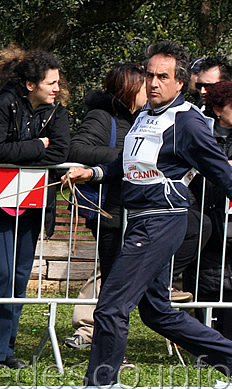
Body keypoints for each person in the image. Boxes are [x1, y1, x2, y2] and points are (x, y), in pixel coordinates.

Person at [62, 41, 232, 389]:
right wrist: (93, 172)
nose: (153, 83)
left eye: (162, 77)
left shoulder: (187, 122)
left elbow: (222, 172)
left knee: (111, 306)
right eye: (149, 75)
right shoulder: (144, 115)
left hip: (162, 221)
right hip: (138, 220)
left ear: (180, 83)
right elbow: (125, 166)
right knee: (157, 314)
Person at [0, 48, 69, 369]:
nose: (56, 88)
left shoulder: (58, 112)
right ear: (29, 84)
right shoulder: (2, 105)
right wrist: (39, 145)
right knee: (0, 275)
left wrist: (22, 154)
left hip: (33, 207)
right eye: (50, 83)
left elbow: (61, 153)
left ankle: (6, 349)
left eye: (57, 82)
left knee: (20, 277)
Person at [64, 64, 147, 349]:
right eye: (146, 83)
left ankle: (107, 342)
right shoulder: (102, 117)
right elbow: (77, 149)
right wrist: (128, 157)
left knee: (121, 281)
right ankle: (108, 347)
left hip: (137, 211)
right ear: (130, 88)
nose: (151, 89)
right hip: (110, 213)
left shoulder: (147, 118)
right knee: (113, 282)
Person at [184, 80, 232, 340]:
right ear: (217, 109)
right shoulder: (199, 134)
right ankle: (207, 343)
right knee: (206, 281)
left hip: (229, 222)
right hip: (205, 218)